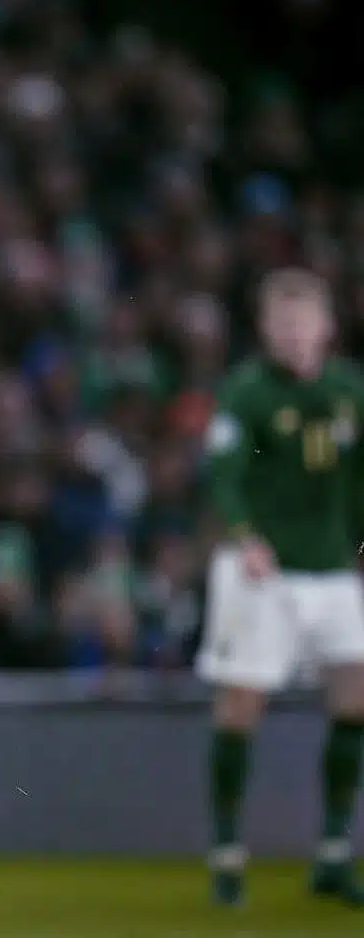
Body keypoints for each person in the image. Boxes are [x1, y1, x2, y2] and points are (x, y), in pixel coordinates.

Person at [199, 267, 364, 906]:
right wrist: (245, 536)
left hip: (334, 570)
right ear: (266, 329)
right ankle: (227, 855)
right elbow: (223, 474)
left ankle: (332, 854)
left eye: (304, 322)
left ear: (326, 327)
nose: (295, 334)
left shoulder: (349, 390)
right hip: (262, 574)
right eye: (283, 323)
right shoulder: (247, 393)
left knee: (355, 701)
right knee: (241, 708)